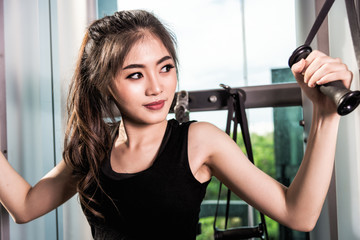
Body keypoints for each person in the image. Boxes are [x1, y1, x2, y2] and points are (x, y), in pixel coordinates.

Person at [0, 9, 353, 240]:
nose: (157, 87)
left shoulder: (199, 141)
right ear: (103, 83)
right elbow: (25, 206)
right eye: (135, 74)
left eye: (165, 67)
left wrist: (325, 115)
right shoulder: (93, 146)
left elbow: (299, 214)